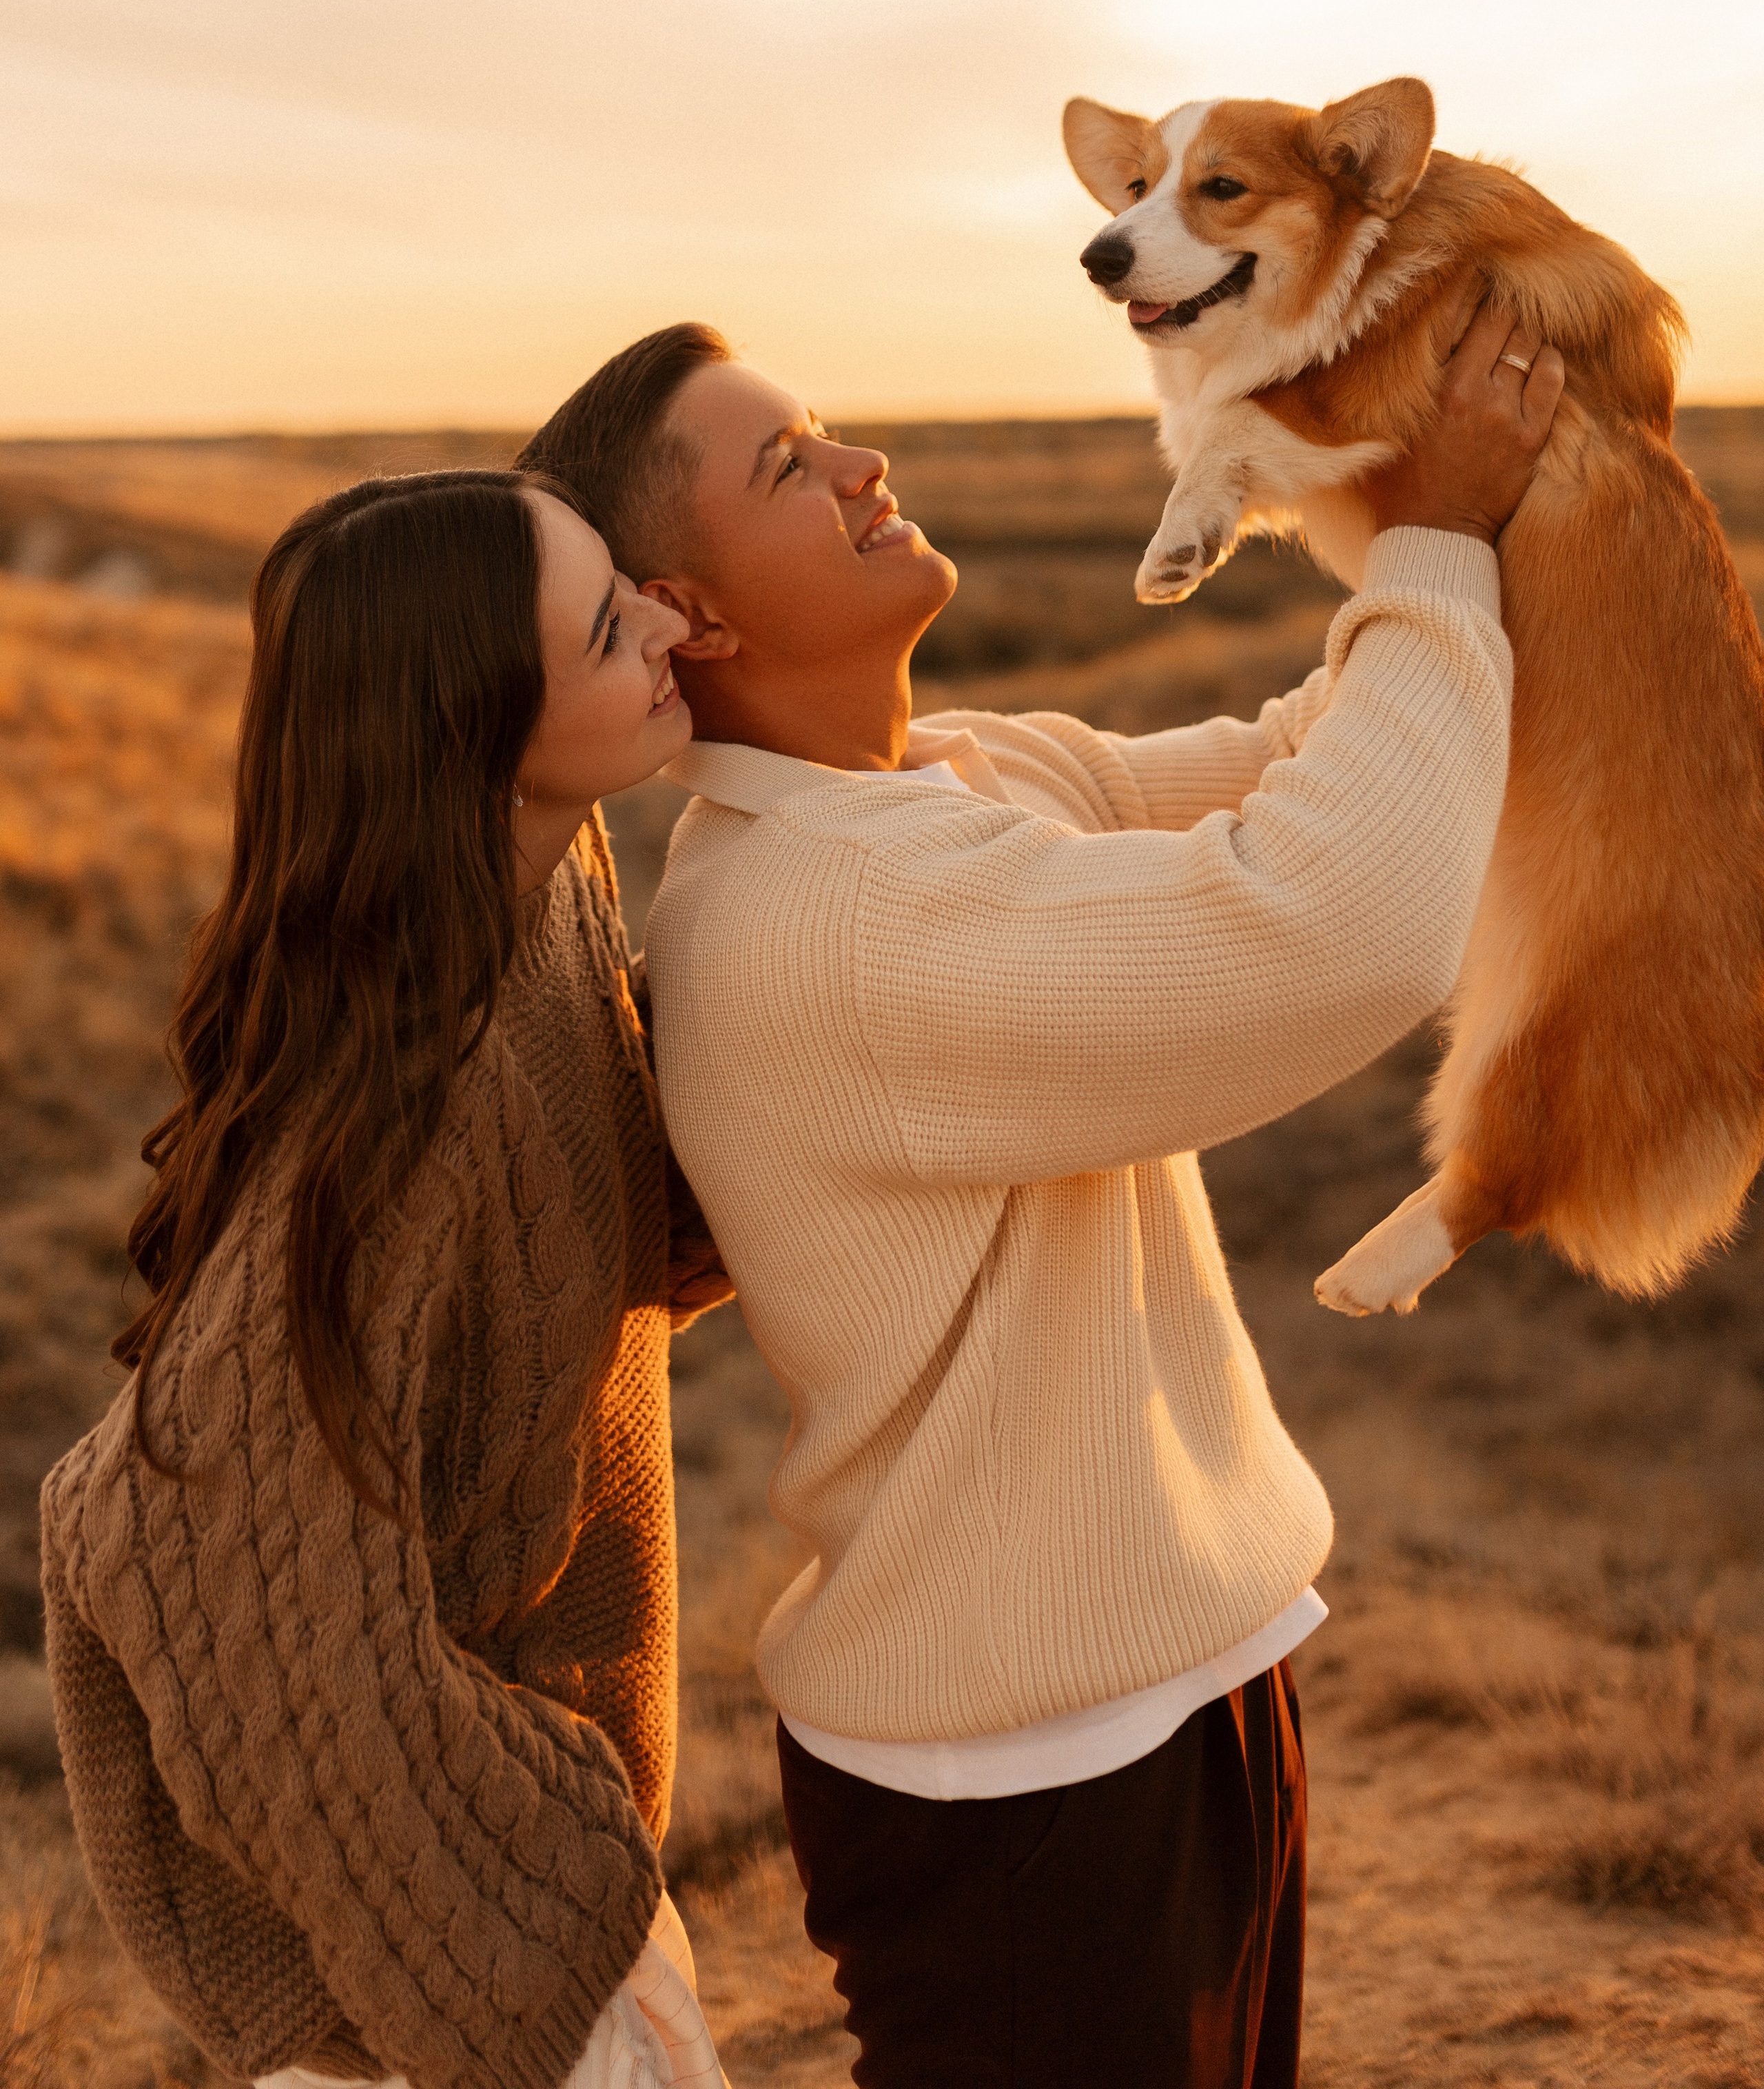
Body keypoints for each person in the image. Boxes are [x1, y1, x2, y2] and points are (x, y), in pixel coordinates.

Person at [517, 307, 1563, 2087]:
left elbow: (1323, 758)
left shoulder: (948, 777)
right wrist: (1441, 544)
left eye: (829, 427)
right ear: (695, 614)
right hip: (1025, 1766)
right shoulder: (821, 924)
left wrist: (1473, 513)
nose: (859, 463)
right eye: (788, 467)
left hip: (1160, 1678)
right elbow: (1341, 922)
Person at [40, 470, 732, 2089]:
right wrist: (524, 1873)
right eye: (611, 626)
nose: (670, 630)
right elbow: (163, 1539)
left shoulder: (551, 890)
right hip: (435, 1970)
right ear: (473, 716)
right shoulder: (400, 1113)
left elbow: (589, 1224)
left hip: (531, 1878)